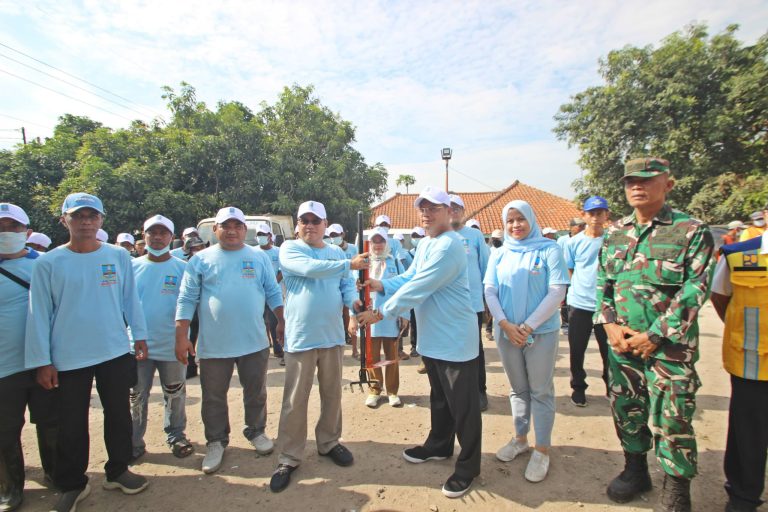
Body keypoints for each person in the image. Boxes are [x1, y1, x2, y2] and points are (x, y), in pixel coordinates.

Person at [595, 158, 714, 512]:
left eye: (647, 179)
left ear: (668, 184)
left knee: (673, 417)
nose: (637, 186)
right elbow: (604, 283)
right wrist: (610, 324)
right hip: (622, 344)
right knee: (626, 408)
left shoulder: (691, 231)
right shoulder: (615, 232)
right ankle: (636, 471)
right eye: (631, 180)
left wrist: (656, 335)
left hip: (669, 349)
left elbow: (696, 288)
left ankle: (676, 489)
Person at [25, 192, 150, 511]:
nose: (86, 222)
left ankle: (118, 470)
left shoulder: (117, 256)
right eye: (78, 216)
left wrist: (140, 335)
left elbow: (130, 300)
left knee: (119, 414)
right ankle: (72, 483)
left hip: (113, 350)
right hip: (68, 357)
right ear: (64, 220)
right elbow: (38, 314)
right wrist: (42, 361)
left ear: (101, 221)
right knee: (71, 422)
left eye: (92, 216)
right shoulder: (49, 263)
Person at [358, 186, 480, 499]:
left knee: (463, 407)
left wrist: (379, 311)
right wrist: (381, 283)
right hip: (434, 337)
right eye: (423, 208)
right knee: (440, 398)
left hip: (454, 338)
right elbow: (410, 276)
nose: (426, 214)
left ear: (449, 212)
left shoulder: (450, 245)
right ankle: (439, 445)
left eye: (434, 208)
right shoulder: (427, 243)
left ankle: (468, 467)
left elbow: (419, 288)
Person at [175, 206, 284, 475]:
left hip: (254, 341)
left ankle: (256, 431)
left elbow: (272, 291)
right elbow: (187, 298)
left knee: (255, 391)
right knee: (213, 397)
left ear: (244, 230)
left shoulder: (257, 257)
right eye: (226, 225)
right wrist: (182, 336)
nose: (232, 230)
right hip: (215, 345)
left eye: (237, 226)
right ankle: (216, 441)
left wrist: (281, 321)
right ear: (216, 229)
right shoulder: (200, 260)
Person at [269, 200, 369, 493]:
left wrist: (354, 302)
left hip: (332, 336)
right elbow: (311, 269)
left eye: (316, 221)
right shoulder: (290, 249)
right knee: (294, 400)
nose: (310, 226)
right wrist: (347, 264)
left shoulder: (335, 252)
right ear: (298, 224)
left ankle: (328, 442)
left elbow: (345, 285)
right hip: (301, 337)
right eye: (305, 220)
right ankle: (289, 456)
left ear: (326, 225)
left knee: (332, 394)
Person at [484, 200, 569, 483]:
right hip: (506, 332)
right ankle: (520, 438)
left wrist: (528, 326)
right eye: (510, 220)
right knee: (517, 389)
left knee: (540, 390)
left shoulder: (549, 249)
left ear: (531, 219)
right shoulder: (500, 253)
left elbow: (557, 291)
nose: (515, 225)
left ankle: (542, 449)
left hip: (541, 333)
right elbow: (490, 290)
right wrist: (506, 325)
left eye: (520, 219)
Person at [0, 203, 57, 512]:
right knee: (4, 428)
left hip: (45, 361)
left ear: (28, 232)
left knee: (50, 421)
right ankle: (10, 487)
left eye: (13, 226)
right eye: (1, 227)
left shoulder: (47, 264)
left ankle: (55, 474)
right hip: (3, 366)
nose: (6, 232)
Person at [710, 227, 768, 512]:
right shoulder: (738, 255)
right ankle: (743, 496)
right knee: (748, 433)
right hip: (753, 362)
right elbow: (720, 296)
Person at [129, 215, 193, 462]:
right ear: (144, 237)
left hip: (172, 344)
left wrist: (186, 338)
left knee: (175, 393)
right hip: (137, 345)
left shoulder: (182, 268)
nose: (157, 237)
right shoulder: (132, 267)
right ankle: (134, 441)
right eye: (151, 233)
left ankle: (176, 435)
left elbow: (190, 307)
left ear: (171, 237)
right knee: (136, 395)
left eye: (162, 233)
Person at [564, 196, 611, 407]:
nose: (595, 217)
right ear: (584, 216)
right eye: (591, 213)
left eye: (600, 213)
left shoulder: (613, 241)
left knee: (609, 350)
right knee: (577, 349)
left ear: (606, 215)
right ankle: (578, 387)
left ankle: (612, 385)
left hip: (607, 304)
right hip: (580, 304)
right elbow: (569, 269)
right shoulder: (574, 242)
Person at [353, 227, 407, 408]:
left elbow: (404, 290)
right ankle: (375, 390)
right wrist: (354, 316)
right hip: (368, 318)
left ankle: (393, 392)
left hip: (389, 317)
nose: (377, 245)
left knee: (392, 356)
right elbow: (353, 290)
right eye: (374, 241)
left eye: (381, 241)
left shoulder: (395, 263)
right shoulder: (362, 263)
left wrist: (405, 314)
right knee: (372, 356)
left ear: (386, 243)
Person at [449, 194, 491, 411]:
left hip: (472, 304)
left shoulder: (474, 236)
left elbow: (486, 269)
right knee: (452, 350)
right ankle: (457, 393)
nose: (453, 211)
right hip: (448, 307)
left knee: (476, 349)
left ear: (463, 211)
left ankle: (479, 391)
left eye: (457, 208)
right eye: (449, 207)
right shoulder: (440, 236)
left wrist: (488, 300)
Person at [328, 223, 360, 360]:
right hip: (336, 285)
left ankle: (354, 349)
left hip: (351, 285)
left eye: (336, 234)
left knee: (352, 315)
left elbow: (359, 266)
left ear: (343, 235)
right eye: (332, 235)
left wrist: (358, 280)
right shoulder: (330, 250)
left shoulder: (353, 248)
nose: (334, 237)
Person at [181, 235, 208, 379]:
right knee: (190, 337)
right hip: (191, 309)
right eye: (195, 249)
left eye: (200, 248)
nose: (198, 251)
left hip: (205, 308)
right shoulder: (184, 265)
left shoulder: (209, 263)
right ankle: (190, 366)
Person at [256, 222, 284, 362]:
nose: (260, 237)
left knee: (274, 322)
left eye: (263, 234)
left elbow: (282, 271)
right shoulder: (253, 252)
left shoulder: (278, 252)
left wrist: (272, 284)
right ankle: (262, 348)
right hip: (258, 294)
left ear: (269, 236)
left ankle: (278, 350)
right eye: (258, 235)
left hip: (274, 293)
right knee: (261, 322)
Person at [407, 226, 425, 357]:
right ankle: (414, 346)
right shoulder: (408, 254)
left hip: (426, 291)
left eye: (418, 236)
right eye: (414, 236)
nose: (416, 239)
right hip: (412, 290)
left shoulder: (428, 252)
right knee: (414, 319)